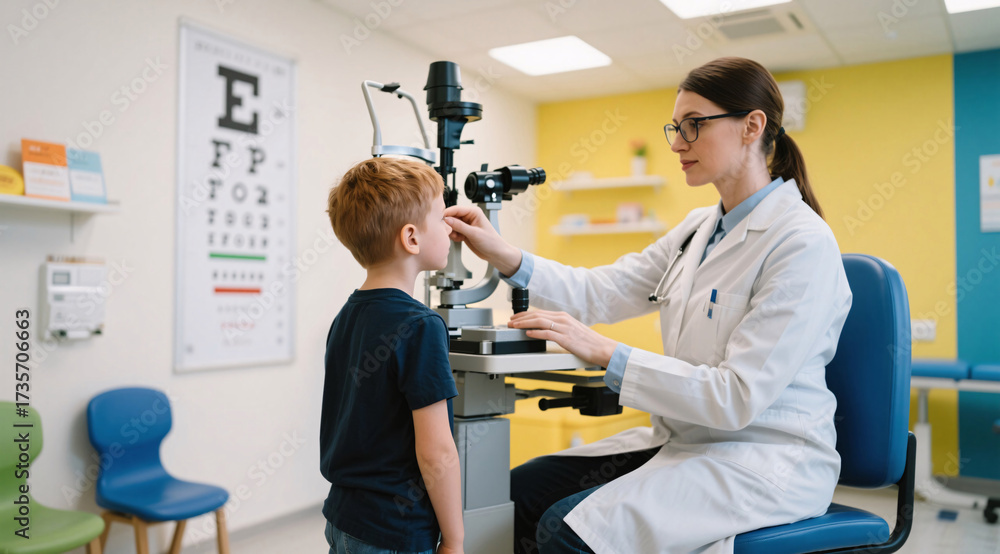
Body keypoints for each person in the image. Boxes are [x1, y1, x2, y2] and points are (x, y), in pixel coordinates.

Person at [443, 57, 853, 554]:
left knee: (566, 533)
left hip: (762, 458)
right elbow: (601, 290)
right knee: (517, 494)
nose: (677, 144)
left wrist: (605, 352)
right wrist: (503, 254)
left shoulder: (802, 243)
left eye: (693, 125)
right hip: (683, 442)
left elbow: (736, 396)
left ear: (752, 126)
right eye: (675, 128)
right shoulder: (698, 230)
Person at [320, 157, 463, 554]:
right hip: (395, 531)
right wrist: (455, 539)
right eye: (441, 218)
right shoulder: (422, 326)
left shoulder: (346, 316)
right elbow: (436, 452)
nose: (449, 227)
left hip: (344, 517)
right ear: (411, 238)